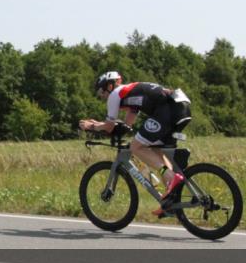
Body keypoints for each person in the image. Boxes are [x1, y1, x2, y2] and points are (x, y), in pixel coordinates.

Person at [78, 71, 192, 216]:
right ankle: (170, 199)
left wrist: (92, 126)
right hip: (181, 108)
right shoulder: (131, 96)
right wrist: (101, 124)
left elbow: (110, 126)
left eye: (101, 91)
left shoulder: (115, 94)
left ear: (110, 85)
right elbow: (126, 125)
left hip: (168, 109)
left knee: (135, 146)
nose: (101, 96)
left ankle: (171, 177)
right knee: (156, 150)